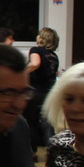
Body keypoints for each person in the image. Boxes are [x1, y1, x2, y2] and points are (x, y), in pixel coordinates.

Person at [24, 26, 60, 156]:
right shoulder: (54, 56)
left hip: (35, 92)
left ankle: (32, 153)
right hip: (49, 93)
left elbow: (35, 64)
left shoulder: (36, 50)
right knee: (47, 124)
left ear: (42, 38)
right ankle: (52, 154)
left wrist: (21, 71)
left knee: (31, 122)